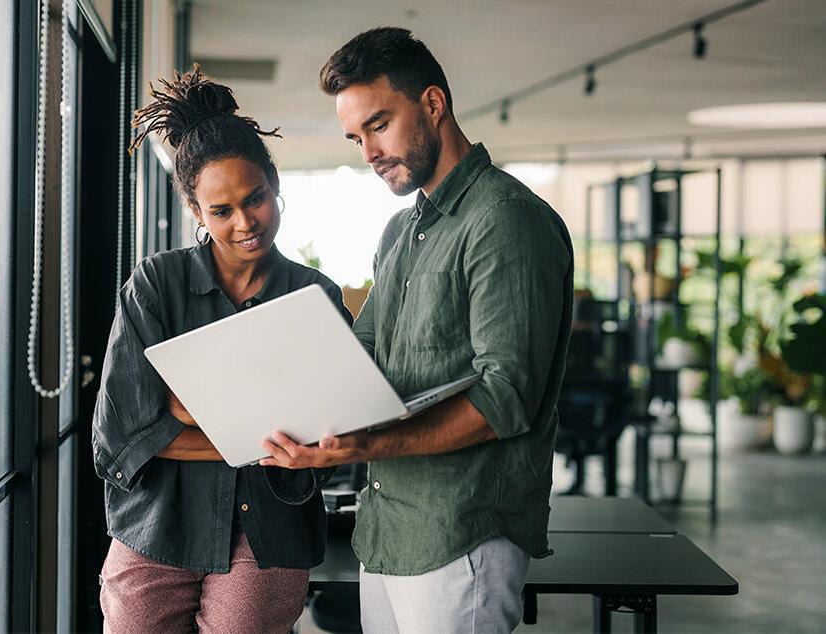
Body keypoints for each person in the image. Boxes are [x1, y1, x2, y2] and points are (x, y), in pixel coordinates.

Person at [259, 27, 574, 634]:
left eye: (378, 124)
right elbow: (366, 354)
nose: (368, 152)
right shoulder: (400, 234)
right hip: (389, 533)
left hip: (464, 535)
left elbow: (505, 399)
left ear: (433, 103)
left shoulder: (505, 222)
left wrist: (367, 445)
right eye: (356, 137)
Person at [92, 66, 353, 633]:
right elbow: (121, 436)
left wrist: (187, 411)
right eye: (221, 210)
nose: (245, 223)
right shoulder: (155, 286)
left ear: (275, 185)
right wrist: (259, 435)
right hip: (156, 529)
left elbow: (331, 429)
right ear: (195, 212)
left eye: (255, 198)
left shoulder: (314, 296)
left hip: (271, 536)